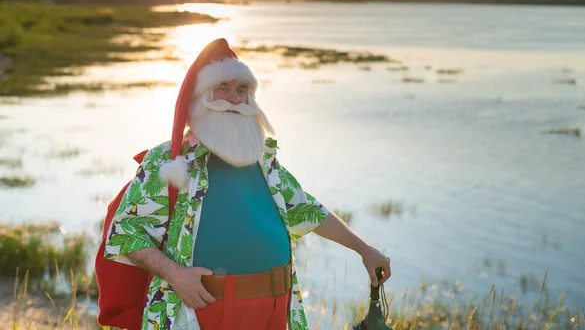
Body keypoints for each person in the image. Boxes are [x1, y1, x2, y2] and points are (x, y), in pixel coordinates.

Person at [104, 38, 391, 330]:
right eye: (222, 88)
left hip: (274, 311)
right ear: (201, 96)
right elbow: (125, 232)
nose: (233, 98)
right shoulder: (168, 159)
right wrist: (176, 275)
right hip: (201, 312)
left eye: (241, 89)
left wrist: (364, 249)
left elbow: (306, 209)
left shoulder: (263, 160)